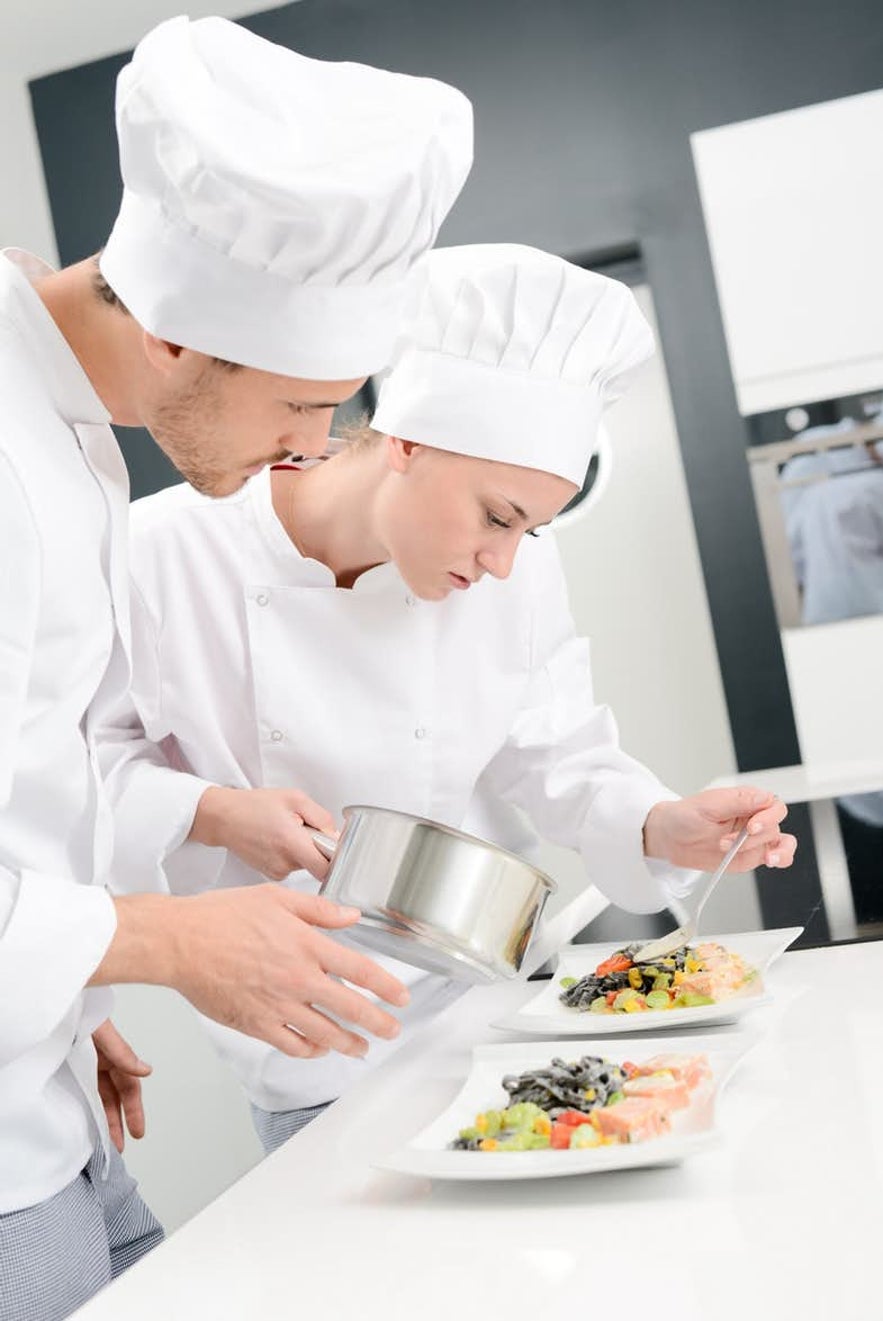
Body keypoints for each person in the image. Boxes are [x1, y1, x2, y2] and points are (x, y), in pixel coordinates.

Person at [98, 243, 797, 1155]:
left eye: (532, 529)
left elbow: (552, 746)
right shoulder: (159, 553)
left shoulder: (519, 571)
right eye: (497, 517)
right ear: (408, 440)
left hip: (507, 1012)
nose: (505, 560)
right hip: (316, 1043)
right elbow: (80, 769)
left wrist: (665, 825)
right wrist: (215, 810)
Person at [0, 15, 472, 1320]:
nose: (309, 452)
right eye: (297, 407)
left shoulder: (68, 425)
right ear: (168, 338)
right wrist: (161, 940)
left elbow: (32, 780)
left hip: (54, 1100)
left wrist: (68, 991)